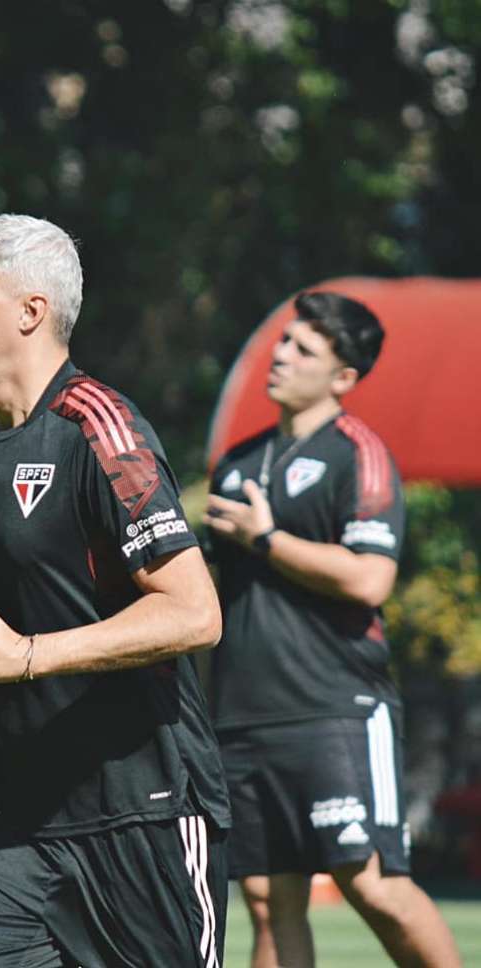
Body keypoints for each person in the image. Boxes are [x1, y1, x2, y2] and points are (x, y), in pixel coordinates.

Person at [0, 212, 231, 968]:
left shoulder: (100, 428)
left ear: (31, 312)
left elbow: (194, 614)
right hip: (15, 820)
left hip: (141, 815)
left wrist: (27, 656)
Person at [204, 291, 461, 968]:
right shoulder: (237, 461)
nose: (282, 355)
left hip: (334, 709)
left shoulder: (360, 456)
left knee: (371, 883)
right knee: (266, 898)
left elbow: (370, 579)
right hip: (243, 712)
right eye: (285, 341)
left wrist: (267, 539)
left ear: (343, 377)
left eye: (304, 350)